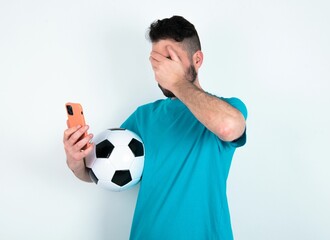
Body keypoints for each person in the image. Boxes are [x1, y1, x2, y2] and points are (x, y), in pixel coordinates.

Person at [63, 15, 247, 240]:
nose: (160, 71)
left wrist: (177, 83)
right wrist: (76, 163)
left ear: (197, 60)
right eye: (156, 62)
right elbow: (102, 172)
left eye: (169, 59)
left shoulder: (228, 108)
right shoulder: (144, 117)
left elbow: (229, 127)